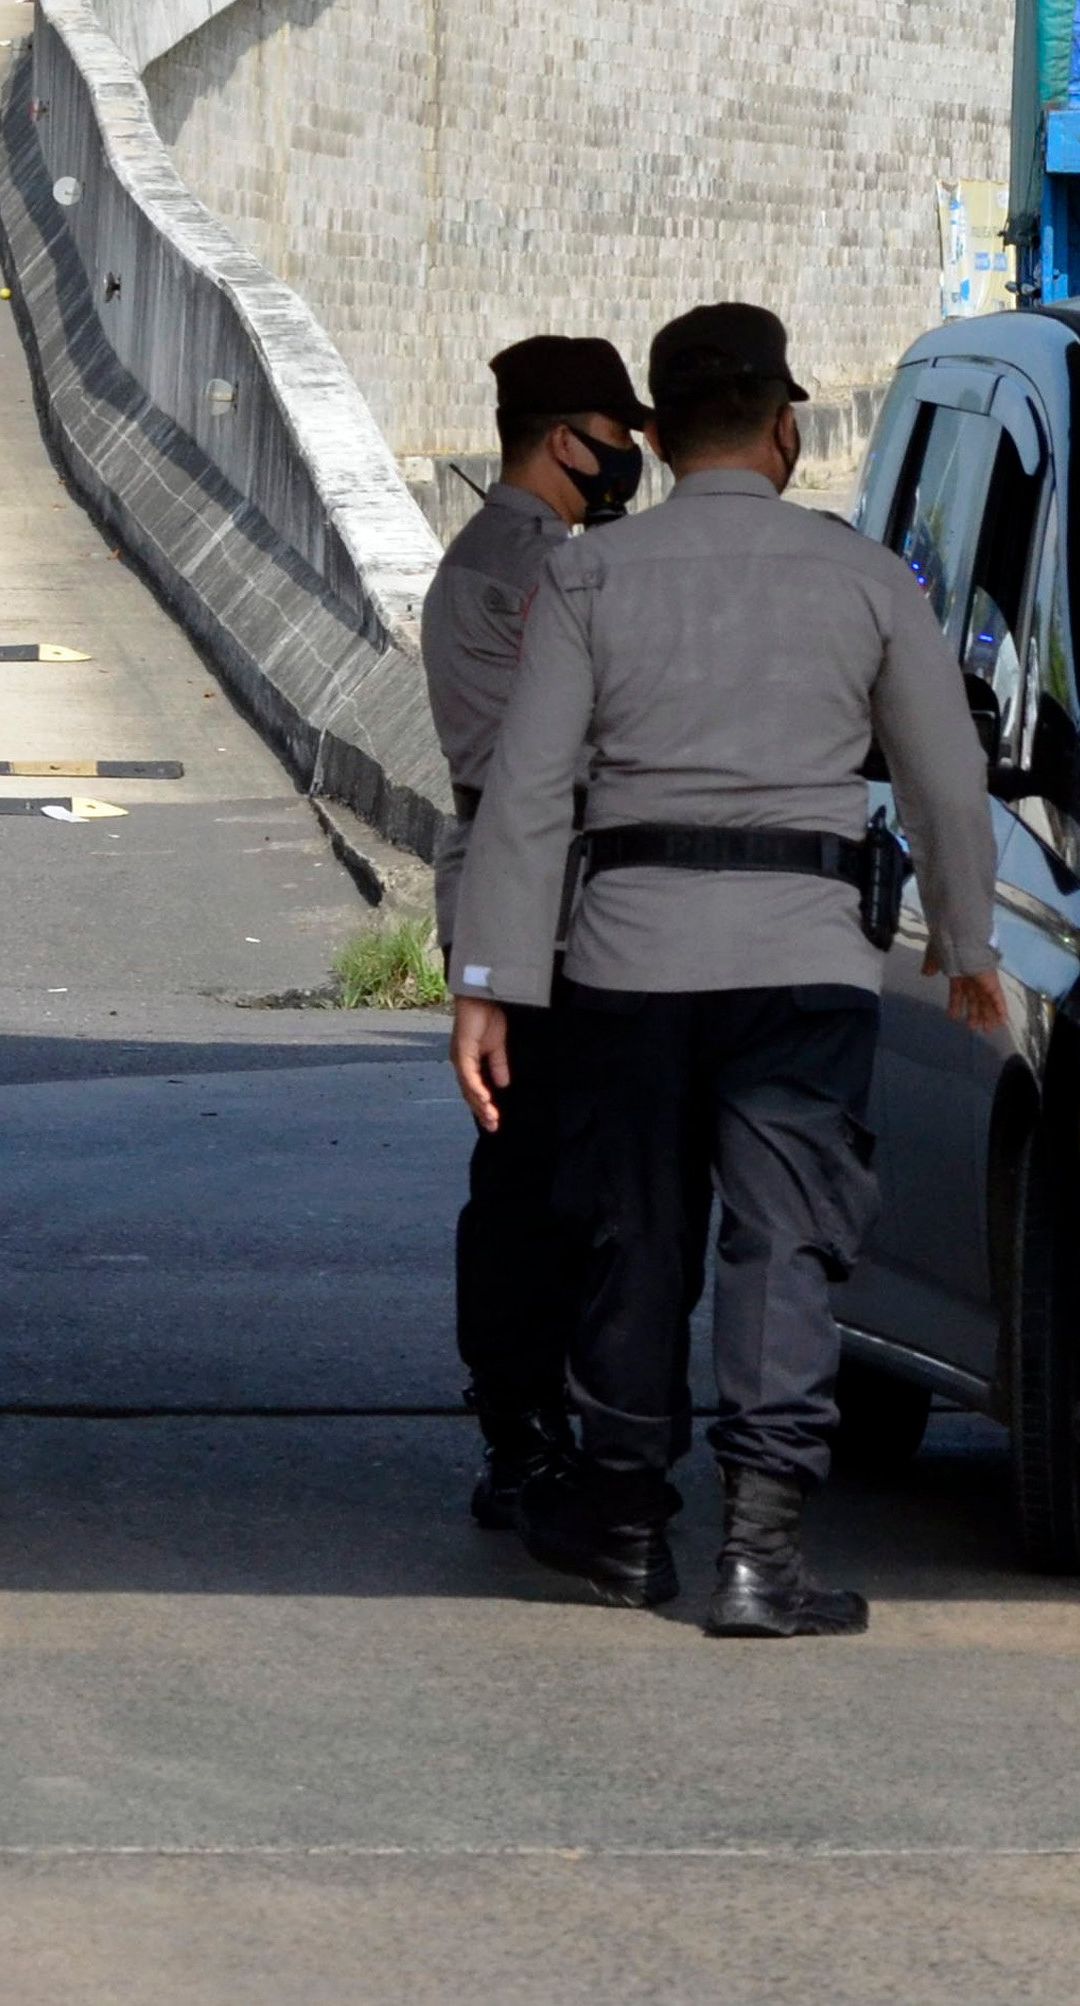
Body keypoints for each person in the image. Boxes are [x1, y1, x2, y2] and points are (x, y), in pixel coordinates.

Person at [451, 301, 1002, 1638]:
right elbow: (944, 782)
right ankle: (760, 1555)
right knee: (784, 1246)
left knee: (633, 1238)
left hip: (627, 966)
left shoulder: (590, 577)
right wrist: (972, 947)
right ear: (784, 424)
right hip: (803, 967)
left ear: (659, 427)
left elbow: (527, 791)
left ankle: (630, 1527)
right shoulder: (865, 576)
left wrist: (492, 979)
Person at [420, 333, 648, 1530]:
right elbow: (515, 761)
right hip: (523, 899)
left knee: (592, 1180)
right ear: (565, 438)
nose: (632, 460)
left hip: (593, 901)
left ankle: (575, 1406)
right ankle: (516, 1424)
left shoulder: (572, 560)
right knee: (520, 1183)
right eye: (619, 439)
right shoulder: (496, 572)